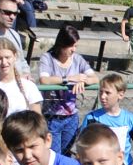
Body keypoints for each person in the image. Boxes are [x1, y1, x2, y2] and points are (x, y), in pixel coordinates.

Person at [37, 26, 97, 155]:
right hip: (52, 117)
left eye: (75, 46)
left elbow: (95, 78)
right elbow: (44, 80)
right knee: (54, 155)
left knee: (66, 154)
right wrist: (69, 79)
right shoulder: (47, 58)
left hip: (71, 117)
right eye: (71, 46)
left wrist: (84, 80)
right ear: (62, 44)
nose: (73, 49)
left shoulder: (78, 59)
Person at [82, 72, 133, 165]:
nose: (103, 96)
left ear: (120, 94)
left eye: (107, 93)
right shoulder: (91, 118)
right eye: (101, 92)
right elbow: (82, 146)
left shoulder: (131, 119)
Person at [0, 38, 41, 117]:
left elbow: (37, 119)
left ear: (15, 56)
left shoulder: (29, 86)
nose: (4, 62)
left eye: (7, 57)